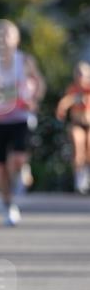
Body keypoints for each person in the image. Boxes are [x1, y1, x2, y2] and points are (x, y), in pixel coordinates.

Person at [0, 21, 45, 225]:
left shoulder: (25, 60)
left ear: (16, 38)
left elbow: (40, 84)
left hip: (20, 117)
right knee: (0, 168)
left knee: (17, 158)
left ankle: (21, 170)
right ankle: (9, 206)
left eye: (7, 34)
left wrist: (33, 100)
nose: (3, 38)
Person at [55, 61, 90, 194]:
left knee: (88, 147)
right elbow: (66, 101)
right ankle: (79, 178)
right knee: (78, 144)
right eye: (79, 74)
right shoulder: (73, 89)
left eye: (85, 74)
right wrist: (61, 109)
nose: (82, 77)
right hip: (77, 124)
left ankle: (86, 174)